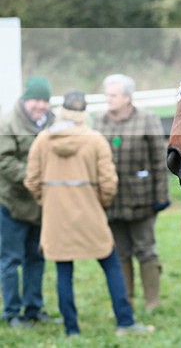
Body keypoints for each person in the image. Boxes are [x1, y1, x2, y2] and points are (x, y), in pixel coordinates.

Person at [23, 91, 154, 336]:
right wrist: (98, 204)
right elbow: (108, 183)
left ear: (61, 110)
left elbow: (31, 181)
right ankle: (125, 322)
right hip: (90, 214)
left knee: (64, 271)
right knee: (111, 263)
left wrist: (48, 201)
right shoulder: (95, 140)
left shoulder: (42, 140)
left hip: (56, 217)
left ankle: (71, 329)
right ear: (84, 113)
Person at [95, 74, 170, 312]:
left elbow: (160, 161)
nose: (109, 99)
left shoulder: (147, 120)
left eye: (113, 95)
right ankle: (124, 299)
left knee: (145, 249)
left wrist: (161, 196)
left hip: (142, 198)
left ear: (127, 98)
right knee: (119, 251)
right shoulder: (99, 122)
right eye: (107, 95)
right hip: (111, 199)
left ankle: (152, 302)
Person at [0, 76, 55, 327]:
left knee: (36, 258)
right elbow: (4, 161)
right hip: (12, 203)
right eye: (35, 100)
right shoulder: (8, 123)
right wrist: (33, 178)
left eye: (44, 101)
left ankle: (34, 308)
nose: (40, 105)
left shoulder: (52, 123)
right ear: (25, 100)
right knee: (11, 260)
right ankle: (12, 312)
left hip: (41, 205)